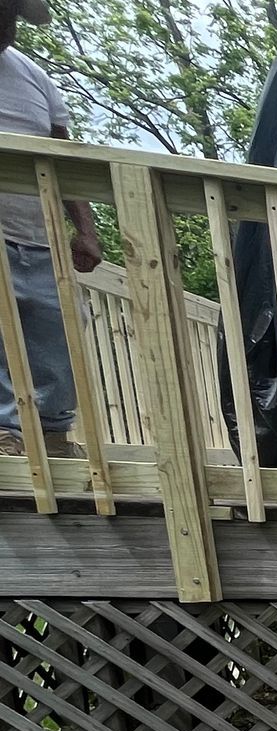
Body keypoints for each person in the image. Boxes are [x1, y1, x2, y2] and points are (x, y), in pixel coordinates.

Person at [0, 0, 101, 458]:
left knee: (60, 329)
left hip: (41, 236)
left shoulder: (33, 76)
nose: (9, 25)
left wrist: (86, 230)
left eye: (12, 14)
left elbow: (65, 162)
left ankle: (53, 433)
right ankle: (7, 432)